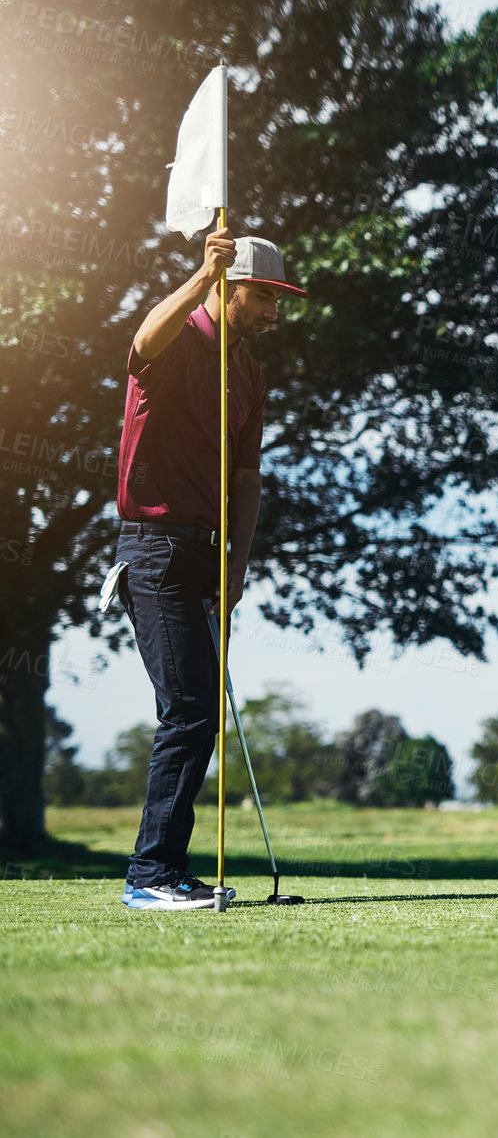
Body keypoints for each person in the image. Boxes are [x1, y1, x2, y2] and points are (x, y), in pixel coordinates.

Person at [113, 227, 304, 910]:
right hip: (154, 544)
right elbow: (141, 343)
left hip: (204, 550)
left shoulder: (249, 374)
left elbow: (246, 478)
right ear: (228, 287)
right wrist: (200, 273)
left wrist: (238, 565)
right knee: (189, 707)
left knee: (197, 709)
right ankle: (150, 875)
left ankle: (165, 869)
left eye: (281, 302)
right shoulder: (174, 343)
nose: (273, 314)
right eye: (263, 297)